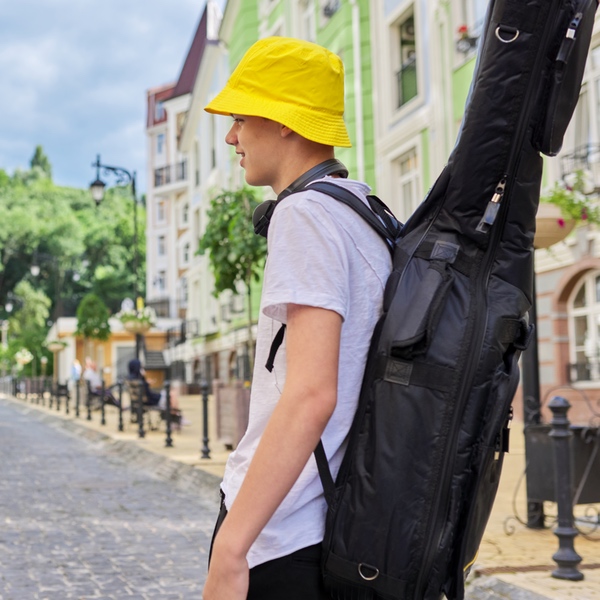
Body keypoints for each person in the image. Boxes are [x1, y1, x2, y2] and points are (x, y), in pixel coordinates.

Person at [202, 37, 393, 600]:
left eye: (240, 117)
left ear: (285, 121)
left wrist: (232, 548)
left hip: (281, 531)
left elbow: (311, 393)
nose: (233, 136)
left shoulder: (305, 214)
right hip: (331, 524)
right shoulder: (363, 211)